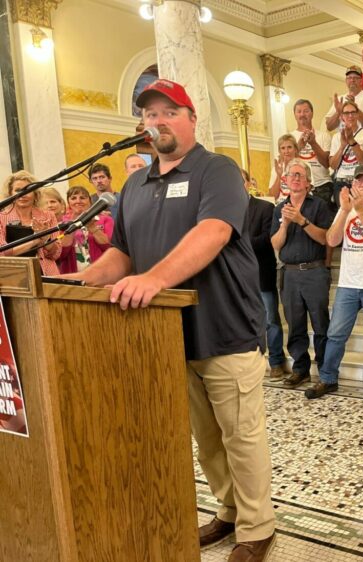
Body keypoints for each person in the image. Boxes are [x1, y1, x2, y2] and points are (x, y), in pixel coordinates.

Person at [61, 79, 277, 561]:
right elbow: (122, 251)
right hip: (166, 336)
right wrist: (83, 282)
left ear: (191, 117)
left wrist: (154, 279)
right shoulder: (135, 183)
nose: (157, 121)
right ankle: (228, 510)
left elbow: (215, 231)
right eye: (149, 114)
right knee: (207, 439)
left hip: (225, 327)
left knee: (241, 437)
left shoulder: (216, 170)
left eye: (168, 112)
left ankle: (257, 526)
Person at [305, 164, 363, 399]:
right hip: (348, 283)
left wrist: (360, 210)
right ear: (352, 185)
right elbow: (332, 240)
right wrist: (346, 211)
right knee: (335, 334)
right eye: (359, 181)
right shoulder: (345, 210)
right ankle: (328, 378)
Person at [270, 159, 334, 388]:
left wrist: (302, 221)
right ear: (285, 180)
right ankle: (301, 369)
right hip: (289, 274)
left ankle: (326, 369)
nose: (295, 178)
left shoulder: (318, 205)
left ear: (308, 182)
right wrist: (286, 224)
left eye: (300, 175)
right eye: (291, 175)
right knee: (295, 324)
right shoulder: (279, 208)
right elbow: (276, 244)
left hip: (314, 271)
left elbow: (326, 238)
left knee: (320, 323)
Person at [243, 171, 287, 381]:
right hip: (237, 277)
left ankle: (276, 361)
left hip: (261, 272)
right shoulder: (225, 209)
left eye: (241, 180)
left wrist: (237, 244)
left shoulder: (264, 207)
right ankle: (250, 362)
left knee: (270, 320)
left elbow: (266, 239)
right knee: (243, 320)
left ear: (248, 183)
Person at [0, 171, 61, 274]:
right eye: (18, 190)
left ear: (35, 194)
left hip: (48, 275)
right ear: (10, 193)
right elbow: (3, 254)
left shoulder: (48, 216)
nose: (22, 194)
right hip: (15, 276)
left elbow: (56, 254)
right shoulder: (1, 218)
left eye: (28, 190)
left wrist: (46, 239)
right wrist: (36, 240)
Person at [57, 185, 114, 274]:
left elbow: (110, 248)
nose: (78, 201)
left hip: (101, 273)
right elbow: (61, 254)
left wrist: (94, 229)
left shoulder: (105, 219)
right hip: (72, 275)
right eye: (73, 198)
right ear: (68, 202)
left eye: (82, 198)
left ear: (90, 201)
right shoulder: (62, 223)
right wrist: (72, 227)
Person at [329, 100, 363, 209]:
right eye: (346, 113)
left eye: (353, 112)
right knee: (344, 216)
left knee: (360, 215)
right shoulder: (336, 137)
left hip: (359, 181)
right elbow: (332, 165)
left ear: (358, 114)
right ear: (341, 116)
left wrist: (352, 141)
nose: (350, 116)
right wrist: (342, 146)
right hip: (340, 182)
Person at [290, 99, 333, 208]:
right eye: (299, 111)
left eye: (306, 111)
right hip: (299, 186)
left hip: (322, 186)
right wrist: (298, 147)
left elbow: (327, 163)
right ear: (294, 115)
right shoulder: (290, 137)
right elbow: (287, 165)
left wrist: (313, 143)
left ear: (312, 113)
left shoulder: (324, 136)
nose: (302, 114)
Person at [325, 65, 363, 131]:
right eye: (349, 78)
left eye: (356, 78)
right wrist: (338, 112)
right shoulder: (340, 99)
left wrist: (355, 108)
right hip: (342, 138)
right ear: (346, 81)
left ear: (361, 81)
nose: (352, 80)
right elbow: (329, 127)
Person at [269, 134, 300, 203]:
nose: (286, 151)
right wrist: (279, 176)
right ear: (279, 151)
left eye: (289, 147)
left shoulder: (304, 166)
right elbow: (273, 196)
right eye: (283, 148)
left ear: (295, 149)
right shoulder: (276, 168)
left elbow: (306, 191)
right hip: (280, 206)